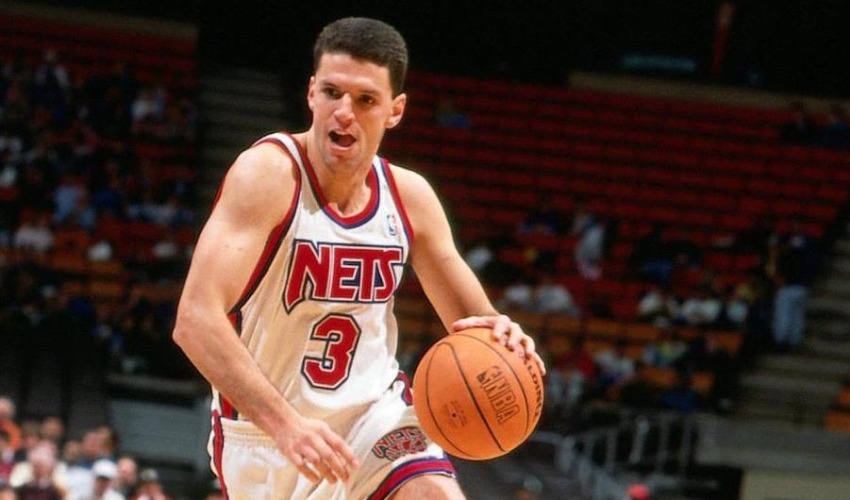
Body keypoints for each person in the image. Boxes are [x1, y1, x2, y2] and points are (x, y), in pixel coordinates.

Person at [172, 17, 545, 500]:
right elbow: (195, 320)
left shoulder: (409, 197)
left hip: (376, 418)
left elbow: (474, 322)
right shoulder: (268, 175)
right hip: (267, 434)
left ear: (395, 110)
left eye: (366, 100)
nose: (344, 112)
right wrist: (286, 424)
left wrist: (503, 336)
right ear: (311, 93)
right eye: (332, 92)